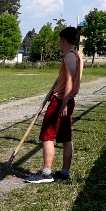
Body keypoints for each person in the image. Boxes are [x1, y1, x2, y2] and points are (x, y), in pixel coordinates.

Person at [26, 27, 83, 184]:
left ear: (63, 39)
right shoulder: (77, 55)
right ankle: (64, 173)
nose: (59, 43)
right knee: (66, 137)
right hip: (68, 99)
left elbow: (70, 80)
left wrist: (63, 103)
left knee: (47, 135)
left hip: (61, 101)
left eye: (59, 40)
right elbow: (68, 80)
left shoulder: (69, 56)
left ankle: (46, 173)